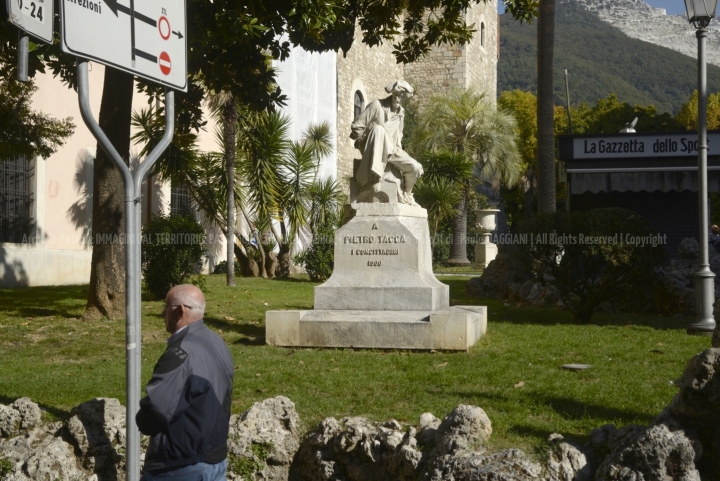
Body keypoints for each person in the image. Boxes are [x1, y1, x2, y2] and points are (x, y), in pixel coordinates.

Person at [137, 284, 234, 480]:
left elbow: (156, 413)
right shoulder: (217, 342)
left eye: (166, 307)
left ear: (179, 311)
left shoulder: (179, 353)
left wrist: (141, 415)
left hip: (181, 466)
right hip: (216, 460)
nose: (163, 312)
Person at [350, 79, 424, 205]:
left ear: (405, 98)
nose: (397, 98)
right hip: (373, 146)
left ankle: (407, 194)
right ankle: (375, 176)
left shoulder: (401, 113)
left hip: (392, 150)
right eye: (395, 94)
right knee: (379, 129)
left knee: (416, 168)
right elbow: (357, 126)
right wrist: (365, 138)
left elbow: (398, 137)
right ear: (392, 93)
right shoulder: (377, 105)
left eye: (401, 96)